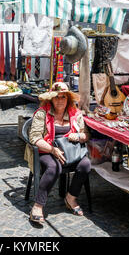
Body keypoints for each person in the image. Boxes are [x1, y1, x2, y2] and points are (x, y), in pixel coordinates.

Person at [26, 82, 91, 223]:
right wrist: (52, 149)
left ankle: (71, 197)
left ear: (68, 99)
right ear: (51, 99)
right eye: (57, 97)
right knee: (54, 167)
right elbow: (34, 137)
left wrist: (79, 136)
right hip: (46, 150)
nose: (60, 100)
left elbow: (86, 135)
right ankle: (37, 206)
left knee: (85, 164)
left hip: (70, 151)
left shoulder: (75, 113)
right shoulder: (42, 113)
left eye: (63, 97)